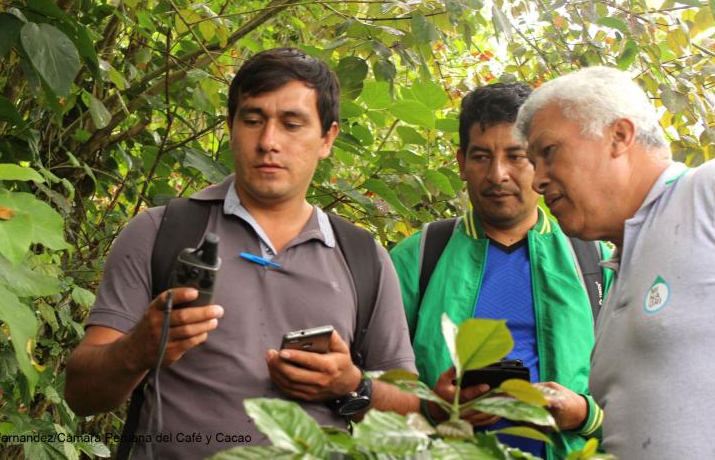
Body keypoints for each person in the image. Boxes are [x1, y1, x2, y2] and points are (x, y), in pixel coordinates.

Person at [64, 48, 419, 459]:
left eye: (292, 124)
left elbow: (412, 414)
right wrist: (137, 349)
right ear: (231, 127)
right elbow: (81, 395)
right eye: (252, 120)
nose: (269, 142)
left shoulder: (364, 259)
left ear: (327, 138)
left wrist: (354, 386)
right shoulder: (160, 232)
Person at [390, 82, 612, 459]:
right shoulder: (419, 257)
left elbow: (642, 394)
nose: (497, 175)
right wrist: (433, 407)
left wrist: (584, 414)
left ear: (540, 162)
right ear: (461, 163)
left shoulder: (594, 261)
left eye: (515, 156)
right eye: (481, 157)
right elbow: (372, 383)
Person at [515, 66, 715, 459]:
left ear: (619, 136)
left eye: (548, 152)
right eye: (534, 163)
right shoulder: (618, 265)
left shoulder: (702, 196)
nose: (537, 180)